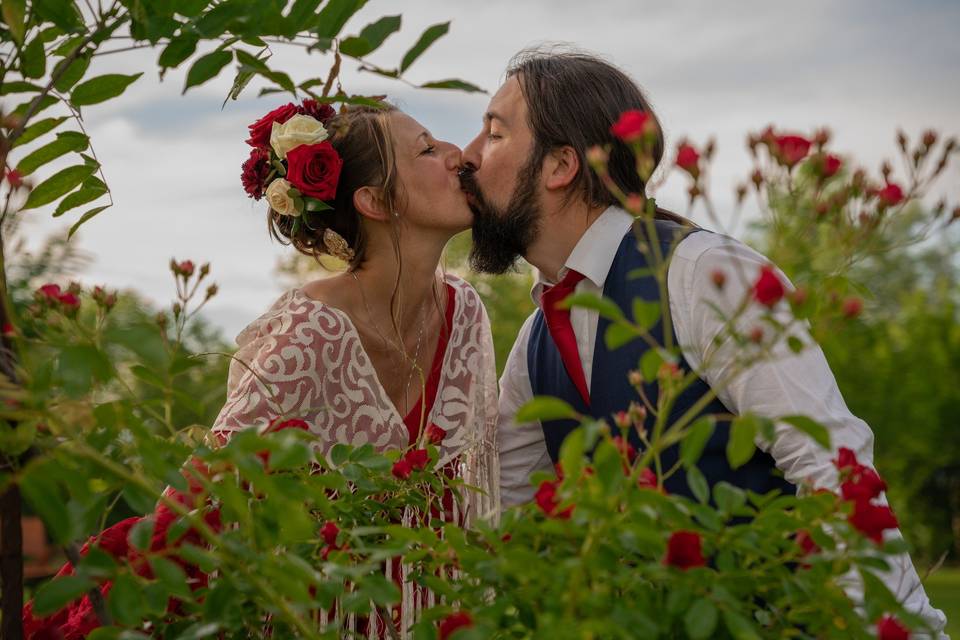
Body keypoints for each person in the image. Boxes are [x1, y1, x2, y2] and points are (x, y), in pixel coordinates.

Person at [460, 47, 948, 636]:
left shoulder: (700, 272)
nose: (467, 157)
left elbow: (828, 463)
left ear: (560, 165)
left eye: (493, 133)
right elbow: (510, 516)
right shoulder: (537, 339)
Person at [23, 102, 499, 639]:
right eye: (428, 149)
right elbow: (208, 502)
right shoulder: (307, 332)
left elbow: (477, 506)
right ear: (375, 200)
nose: (461, 156)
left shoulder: (466, 315)